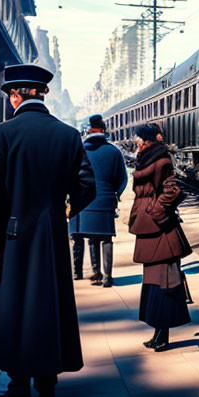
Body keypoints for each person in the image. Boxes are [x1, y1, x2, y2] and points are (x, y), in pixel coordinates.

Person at [0, 64, 96, 397]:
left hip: (11, 239)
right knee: (47, 306)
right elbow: (88, 186)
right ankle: (47, 387)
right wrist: (67, 210)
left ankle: (18, 385)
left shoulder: (1, 134)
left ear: (15, 96)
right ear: (42, 94)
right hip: (52, 237)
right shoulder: (68, 135)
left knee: (15, 310)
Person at [128, 124, 191, 352]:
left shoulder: (160, 160)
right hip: (151, 228)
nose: (137, 143)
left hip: (159, 229)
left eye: (139, 139)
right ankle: (158, 333)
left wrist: (155, 213)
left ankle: (162, 335)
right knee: (154, 282)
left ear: (146, 140)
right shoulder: (147, 158)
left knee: (163, 281)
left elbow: (172, 189)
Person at [69, 114, 128, 287]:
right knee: (106, 238)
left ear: (88, 131)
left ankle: (87, 272)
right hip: (105, 202)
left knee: (87, 237)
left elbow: (70, 176)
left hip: (82, 204)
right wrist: (115, 195)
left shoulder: (79, 151)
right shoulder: (114, 151)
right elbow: (122, 179)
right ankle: (107, 277)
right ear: (103, 131)